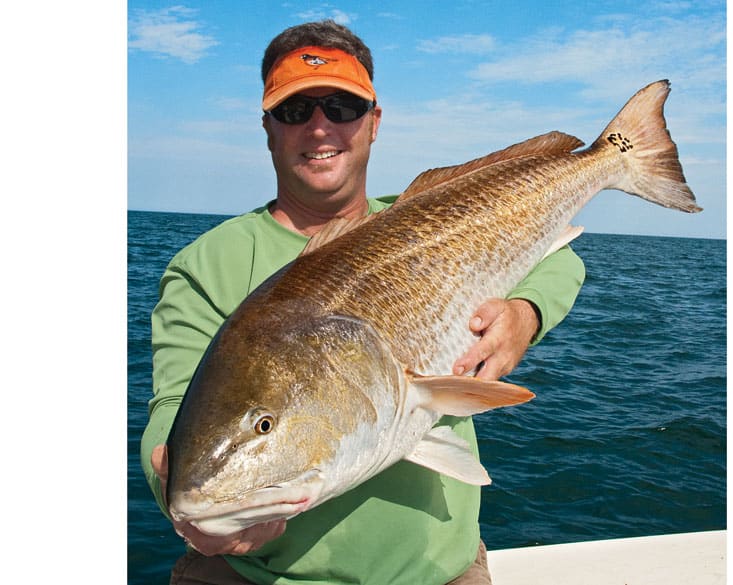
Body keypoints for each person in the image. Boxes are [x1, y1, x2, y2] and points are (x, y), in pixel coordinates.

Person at [140, 19, 585, 585]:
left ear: (374, 123)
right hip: (254, 575)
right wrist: (179, 499)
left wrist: (527, 313)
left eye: (342, 107)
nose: (320, 128)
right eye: (295, 111)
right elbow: (173, 409)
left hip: (439, 572)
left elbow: (557, 254)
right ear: (268, 127)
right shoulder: (205, 264)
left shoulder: (434, 220)